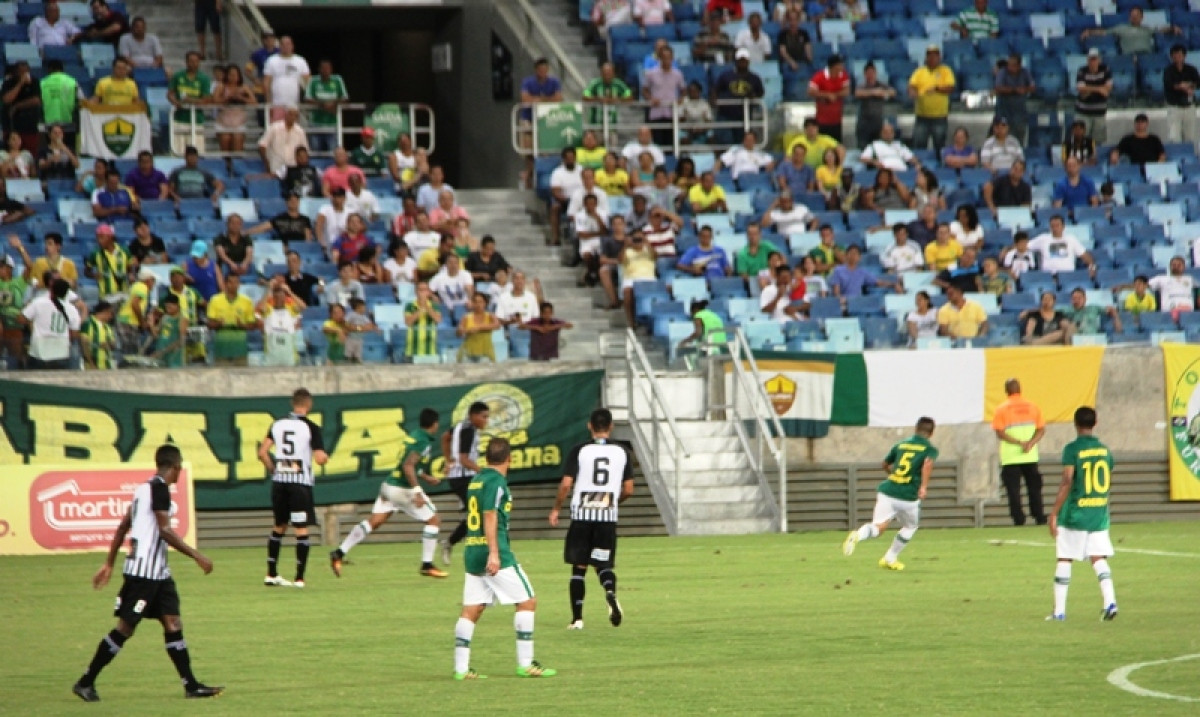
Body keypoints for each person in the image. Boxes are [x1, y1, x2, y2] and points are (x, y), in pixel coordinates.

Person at [71, 444, 222, 703]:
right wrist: (197, 555)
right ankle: (85, 682)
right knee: (125, 628)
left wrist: (109, 563)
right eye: (179, 469)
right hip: (144, 574)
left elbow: (122, 527)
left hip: (159, 574)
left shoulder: (142, 490)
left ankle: (191, 685)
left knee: (173, 622)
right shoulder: (160, 490)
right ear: (175, 467)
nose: (179, 474)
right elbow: (165, 531)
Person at [453, 436, 556, 681]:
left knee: (472, 610)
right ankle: (526, 663)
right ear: (509, 458)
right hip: (493, 551)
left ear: (486, 458)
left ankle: (461, 669)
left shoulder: (476, 480)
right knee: (528, 601)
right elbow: (489, 515)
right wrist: (495, 553)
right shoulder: (497, 482)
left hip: (472, 550)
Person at [329, 407, 448, 578]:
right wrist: (418, 492)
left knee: (374, 522)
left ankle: (339, 553)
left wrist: (426, 477)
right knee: (434, 520)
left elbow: (410, 465)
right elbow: (408, 466)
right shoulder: (424, 442)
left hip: (389, 485)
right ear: (435, 424)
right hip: (402, 489)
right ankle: (427, 564)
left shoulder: (414, 435)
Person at [548, 408, 633, 630]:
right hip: (607, 518)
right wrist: (614, 502)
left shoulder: (580, 450)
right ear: (611, 426)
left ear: (590, 426)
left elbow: (566, 484)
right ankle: (610, 592)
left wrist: (556, 509)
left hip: (582, 517)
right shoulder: (622, 452)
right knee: (603, 564)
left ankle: (577, 619)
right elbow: (629, 489)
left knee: (579, 567)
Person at [1047, 406, 1118, 621]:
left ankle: (1059, 612)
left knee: (1064, 557)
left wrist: (1053, 513)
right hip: (1098, 512)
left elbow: (1067, 480)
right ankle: (1110, 602)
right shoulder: (1105, 451)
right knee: (1098, 557)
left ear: (1076, 424)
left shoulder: (1072, 449)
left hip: (1076, 512)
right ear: (1094, 423)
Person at [842, 417, 938, 571]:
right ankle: (890, 557)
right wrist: (924, 487)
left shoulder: (901, 444)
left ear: (915, 429)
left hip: (888, 492)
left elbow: (885, 464)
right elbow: (927, 465)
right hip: (908, 496)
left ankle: (858, 535)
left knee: (878, 528)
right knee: (910, 526)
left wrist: (892, 475)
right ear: (931, 433)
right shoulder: (929, 449)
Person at [258, 388, 330, 589]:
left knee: (279, 526)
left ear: (293, 404)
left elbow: (262, 452)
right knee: (301, 528)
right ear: (309, 404)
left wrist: (273, 469)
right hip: (300, 484)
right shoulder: (311, 428)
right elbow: (319, 457)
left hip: (280, 482)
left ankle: (271, 574)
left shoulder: (277, 424)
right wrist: (325, 458)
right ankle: (299, 578)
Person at [440, 402, 490, 566]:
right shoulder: (468, 430)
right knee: (479, 513)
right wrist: (481, 471)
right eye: (484, 416)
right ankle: (450, 543)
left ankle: (455, 541)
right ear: (473, 416)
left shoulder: (461, 426)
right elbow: (463, 459)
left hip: (460, 478)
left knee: (477, 513)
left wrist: (448, 460)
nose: (486, 420)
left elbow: (445, 437)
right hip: (463, 478)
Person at [19, 278, 80, 369]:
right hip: (61, 353)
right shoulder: (72, 309)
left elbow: (21, 319)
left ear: (51, 290)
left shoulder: (38, 303)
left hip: (39, 351)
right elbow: (74, 334)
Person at [908, 45, 956, 154]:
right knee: (919, 145)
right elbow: (912, 85)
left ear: (939, 57)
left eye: (935, 55)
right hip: (922, 117)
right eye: (930, 55)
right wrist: (912, 92)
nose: (932, 58)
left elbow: (950, 87)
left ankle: (940, 168)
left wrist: (937, 88)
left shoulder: (945, 71)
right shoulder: (919, 72)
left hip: (939, 117)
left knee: (939, 146)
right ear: (926, 57)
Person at [711, 49, 764, 144]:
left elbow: (760, 92)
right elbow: (716, 89)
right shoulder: (726, 75)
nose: (742, 62)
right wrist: (714, 100)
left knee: (741, 141)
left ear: (748, 61)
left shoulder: (754, 78)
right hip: (726, 114)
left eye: (744, 60)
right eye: (740, 60)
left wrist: (753, 96)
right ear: (736, 61)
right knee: (726, 141)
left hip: (744, 115)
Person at [1081, 6, 1181, 56]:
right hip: (1129, 56)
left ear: (1141, 17)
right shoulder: (1121, 28)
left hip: (1146, 55)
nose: (1134, 18)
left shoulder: (1147, 28)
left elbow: (1161, 30)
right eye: (1132, 16)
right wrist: (1089, 32)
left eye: (1136, 16)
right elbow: (1104, 32)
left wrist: (1172, 28)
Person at [642, 46, 686, 146]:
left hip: (671, 113)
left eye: (668, 57)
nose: (666, 60)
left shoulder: (678, 74)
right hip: (656, 113)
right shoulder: (651, 73)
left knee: (671, 143)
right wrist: (651, 98)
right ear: (660, 58)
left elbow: (683, 89)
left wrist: (680, 100)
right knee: (657, 143)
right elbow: (644, 90)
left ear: (672, 58)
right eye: (664, 57)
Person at [167, 52, 211, 148]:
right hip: (179, 119)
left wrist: (189, 100)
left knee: (197, 150)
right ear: (186, 62)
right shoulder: (178, 76)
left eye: (196, 61)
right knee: (178, 149)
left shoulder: (204, 79)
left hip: (197, 120)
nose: (194, 64)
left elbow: (206, 100)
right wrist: (176, 102)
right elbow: (169, 94)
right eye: (191, 61)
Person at [263, 36, 311, 122]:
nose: (285, 46)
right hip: (276, 104)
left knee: (293, 131)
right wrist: (269, 103)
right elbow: (266, 83)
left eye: (288, 44)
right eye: (283, 44)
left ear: (292, 46)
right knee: (277, 130)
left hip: (293, 105)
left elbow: (308, 82)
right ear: (279, 46)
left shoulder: (300, 61)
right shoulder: (271, 60)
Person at [306, 59, 349, 153]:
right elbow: (307, 99)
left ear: (331, 69)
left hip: (332, 124)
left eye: (328, 68)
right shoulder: (313, 80)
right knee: (315, 153)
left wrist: (333, 104)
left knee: (332, 153)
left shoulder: (338, 80)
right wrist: (322, 105)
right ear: (319, 69)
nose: (325, 70)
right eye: (323, 68)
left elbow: (345, 98)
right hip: (315, 124)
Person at [1029, 215, 1095, 275]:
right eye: (1052, 226)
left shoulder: (1071, 239)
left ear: (1063, 226)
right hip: (1048, 275)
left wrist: (1092, 267)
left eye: (1057, 225)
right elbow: (1024, 246)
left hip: (1068, 275)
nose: (1055, 228)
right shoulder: (1043, 238)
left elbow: (1085, 256)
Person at [212, 64, 257, 152]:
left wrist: (241, 98)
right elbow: (215, 100)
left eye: (235, 75)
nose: (233, 77)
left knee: (237, 145)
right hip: (223, 122)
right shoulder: (221, 86)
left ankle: (237, 164)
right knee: (225, 143)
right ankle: (226, 164)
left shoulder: (244, 87)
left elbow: (254, 102)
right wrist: (227, 98)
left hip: (239, 123)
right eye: (231, 75)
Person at [1, 62, 43, 154]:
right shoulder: (8, 83)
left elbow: (36, 100)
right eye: (21, 71)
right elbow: (7, 99)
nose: (24, 74)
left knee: (30, 155)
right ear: (16, 72)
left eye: (26, 71)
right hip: (11, 127)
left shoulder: (34, 82)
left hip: (29, 127)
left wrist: (17, 106)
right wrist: (20, 83)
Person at [993, 55, 1035, 144]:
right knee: (1003, 134)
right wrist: (1014, 90)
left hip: (1019, 109)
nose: (1010, 67)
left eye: (1013, 65)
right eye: (1009, 65)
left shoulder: (1025, 72)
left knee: (1019, 135)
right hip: (1004, 108)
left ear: (1019, 65)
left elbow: (1032, 87)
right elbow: (998, 88)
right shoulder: (1002, 72)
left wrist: (1025, 89)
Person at [1075, 49, 1113, 146]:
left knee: (1098, 141)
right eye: (1091, 59)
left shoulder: (1105, 69)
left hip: (1099, 113)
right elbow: (1081, 89)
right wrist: (1099, 89)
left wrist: (1089, 89)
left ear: (1099, 60)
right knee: (1080, 139)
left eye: (1095, 59)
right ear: (1087, 60)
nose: (1093, 62)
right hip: (1083, 112)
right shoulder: (1082, 70)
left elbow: (1108, 88)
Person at [258, 106, 309, 178]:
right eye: (291, 114)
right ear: (286, 114)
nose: (292, 117)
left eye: (295, 115)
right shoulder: (274, 127)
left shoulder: (300, 131)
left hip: (292, 168)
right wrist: (267, 164)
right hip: (275, 166)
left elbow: (305, 150)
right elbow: (262, 145)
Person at [829, 245, 898, 297]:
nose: (853, 256)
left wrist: (894, 285)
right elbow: (836, 292)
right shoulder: (838, 270)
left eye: (856, 254)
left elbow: (878, 282)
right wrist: (840, 300)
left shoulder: (862, 272)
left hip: (857, 302)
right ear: (846, 255)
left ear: (859, 258)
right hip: (842, 302)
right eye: (851, 253)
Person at [808, 54, 849, 142]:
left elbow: (847, 91)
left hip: (837, 120)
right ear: (834, 66)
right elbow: (810, 91)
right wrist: (826, 95)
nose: (842, 66)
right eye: (840, 64)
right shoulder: (819, 76)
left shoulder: (843, 75)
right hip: (822, 121)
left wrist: (835, 95)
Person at [1164, 44, 1200, 145]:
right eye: (1175, 55)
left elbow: (1197, 82)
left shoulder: (1191, 69)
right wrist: (1181, 86)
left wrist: (1190, 86)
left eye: (1180, 55)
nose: (1177, 57)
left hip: (1189, 106)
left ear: (1184, 56)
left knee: (1190, 137)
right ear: (1171, 57)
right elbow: (1169, 84)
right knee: (1174, 137)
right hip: (1175, 107)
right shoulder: (1168, 71)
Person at [40, 60, 81, 148]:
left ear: (49, 69)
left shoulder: (43, 83)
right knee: (68, 149)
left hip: (49, 123)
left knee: (50, 150)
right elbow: (81, 100)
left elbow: (38, 101)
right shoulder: (72, 82)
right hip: (67, 122)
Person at [854, 62, 895, 148]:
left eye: (872, 73)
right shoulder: (862, 86)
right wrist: (873, 92)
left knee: (878, 148)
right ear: (865, 74)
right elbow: (858, 93)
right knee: (863, 148)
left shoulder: (882, 85)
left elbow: (892, 92)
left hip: (878, 123)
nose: (870, 75)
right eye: (868, 73)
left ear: (876, 73)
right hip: (864, 123)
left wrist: (884, 93)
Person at [403, 280, 442, 360]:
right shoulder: (409, 306)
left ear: (428, 292)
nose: (422, 293)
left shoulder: (435, 306)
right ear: (416, 292)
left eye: (425, 290)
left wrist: (426, 307)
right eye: (420, 290)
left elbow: (438, 320)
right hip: (412, 348)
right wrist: (420, 309)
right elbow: (408, 322)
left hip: (430, 347)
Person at [457, 292, 500, 363]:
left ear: (485, 303)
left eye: (480, 302)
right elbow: (459, 332)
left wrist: (479, 327)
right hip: (468, 353)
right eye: (475, 302)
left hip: (486, 353)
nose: (478, 304)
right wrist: (465, 331)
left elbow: (497, 325)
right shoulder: (466, 317)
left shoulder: (490, 316)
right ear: (472, 303)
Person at [80, 300, 116, 370]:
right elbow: (84, 345)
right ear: (105, 311)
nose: (111, 317)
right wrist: (91, 364)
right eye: (111, 313)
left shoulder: (107, 327)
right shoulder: (87, 324)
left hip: (107, 366)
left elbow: (113, 344)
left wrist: (109, 344)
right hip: (92, 366)